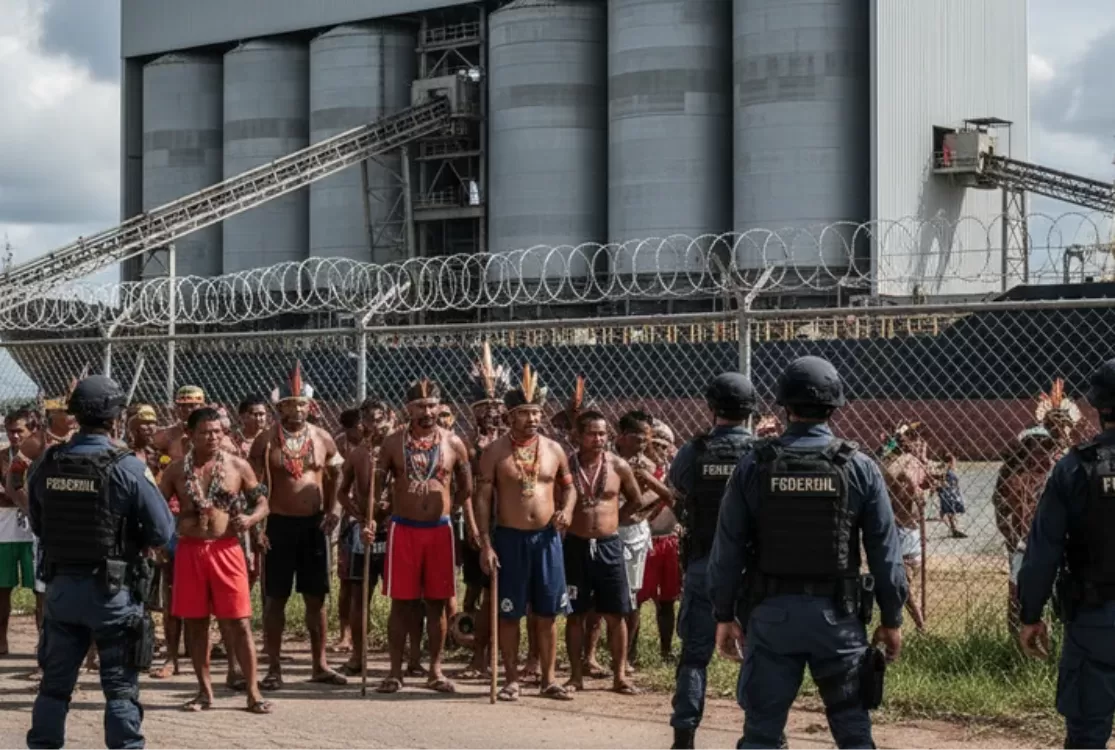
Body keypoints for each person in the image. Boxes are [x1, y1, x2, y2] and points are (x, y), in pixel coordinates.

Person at [708, 356, 908, 750]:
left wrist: (723, 614)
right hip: (838, 618)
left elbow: (727, 548)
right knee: (853, 730)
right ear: (835, 406)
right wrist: (891, 617)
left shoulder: (754, 465)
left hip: (771, 617)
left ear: (784, 407)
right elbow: (885, 550)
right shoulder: (860, 466)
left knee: (762, 732)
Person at [26, 374, 175, 750]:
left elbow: (40, 523)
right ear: (114, 418)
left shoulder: (49, 462)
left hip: (61, 591)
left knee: (54, 688)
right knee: (121, 691)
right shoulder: (126, 467)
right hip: (112, 593)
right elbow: (161, 531)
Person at [1017, 359, 1115, 749]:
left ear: (1097, 407)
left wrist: (1030, 614)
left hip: (1094, 620)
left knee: (1087, 734)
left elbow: (1043, 551)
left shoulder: (1074, 469)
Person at [668, 373, 759, 749]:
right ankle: (763, 732)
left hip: (704, 563)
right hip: (751, 571)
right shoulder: (760, 452)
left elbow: (679, 489)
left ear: (711, 406)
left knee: (694, 658)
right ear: (751, 408)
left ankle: (684, 736)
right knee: (758, 657)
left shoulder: (694, 451)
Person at [160, 407, 272, 714]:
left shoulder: (238, 465)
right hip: (190, 550)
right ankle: (204, 692)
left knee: (240, 623)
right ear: (191, 435)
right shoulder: (175, 470)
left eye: (217, 432)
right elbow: (157, 507)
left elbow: (262, 501)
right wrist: (175, 523)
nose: (212, 437)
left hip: (227, 550)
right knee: (196, 624)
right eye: (205, 432)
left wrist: (250, 519)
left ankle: (253, 693)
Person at [474, 366, 575, 701]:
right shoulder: (495, 452)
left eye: (537, 413)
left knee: (547, 613)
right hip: (509, 539)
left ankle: (548, 679)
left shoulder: (554, 449)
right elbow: (483, 500)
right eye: (526, 414)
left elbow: (568, 488)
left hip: (546, 540)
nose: (533, 419)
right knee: (509, 613)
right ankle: (511, 679)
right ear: (511, 416)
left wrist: (568, 510)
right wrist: (485, 544)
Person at [367, 378, 471, 694]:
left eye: (432, 405)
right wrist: (371, 518)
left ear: (440, 406)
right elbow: (377, 487)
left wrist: (456, 512)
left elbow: (467, 487)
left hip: (439, 529)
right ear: (408, 409)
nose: (427, 411)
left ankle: (435, 671)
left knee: (438, 604)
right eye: (420, 406)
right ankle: (395, 671)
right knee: (402, 604)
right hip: (403, 529)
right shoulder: (392, 443)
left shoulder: (454, 443)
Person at [250, 362, 347, 690]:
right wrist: (257, 528)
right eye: (290, 405)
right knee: (274, 598)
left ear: (310, 406)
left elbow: (337, 476)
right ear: (280, 408)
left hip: (313, 528)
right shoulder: (265, 441)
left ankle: (319, 665)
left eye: (301, 404)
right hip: (277, 525)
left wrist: (333, 508)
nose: (297, 410)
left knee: (315, 597)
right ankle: (273, 668)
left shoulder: (323, 439)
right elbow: (255, 487)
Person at [561, 408, 650, 697]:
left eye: (602, 433)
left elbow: (636, 499)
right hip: (574, 546)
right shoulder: (567, 466)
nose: (599, 439)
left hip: (610, 546)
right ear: (578, 436)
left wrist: (615, 520)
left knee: (616, 613)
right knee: (575, 614)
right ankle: (575, 675)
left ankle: (620, 676)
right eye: (592, 433)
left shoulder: (618, 465)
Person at [458, 343, 510, 679]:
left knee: (508, 594)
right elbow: (465, 489)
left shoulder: (513, 443)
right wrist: (476, 529)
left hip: (509, 522)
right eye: (484, 409)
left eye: (496, 408)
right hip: (480, 523)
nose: (491, 414)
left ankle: (507, 657)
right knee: (480, 592)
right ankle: (476, 653)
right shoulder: (466, 444)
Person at [335, 398, 396, 675]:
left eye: (380, 418)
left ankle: (409, 660)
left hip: (395, 530)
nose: (375, 424)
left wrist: (394, 510)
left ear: (390, 417)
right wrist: (359, 515)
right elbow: (341, 492)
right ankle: (358, 657)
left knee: (404, 598)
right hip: (366, 533)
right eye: (369, 420)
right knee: (360, 595)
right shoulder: (359, 454)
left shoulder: (400, 450)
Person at [611, 410, 671, 671]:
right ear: (621, 437)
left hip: (635, 534)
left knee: (631, 599)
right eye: (638, 438)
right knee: (599, 601)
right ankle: (591, 656)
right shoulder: (608, 461)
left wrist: (641, 502)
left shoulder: (648, 467)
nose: (644, 444)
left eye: (647, 438)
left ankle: (626, 656)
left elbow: (667, 497)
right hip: (606, 533)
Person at [880, 422, 933, 632]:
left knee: (905, 580)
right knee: (904, 582)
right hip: (902, 524)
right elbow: (911, 485)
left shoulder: (900, 462)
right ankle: (918, 624)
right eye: (913, 439)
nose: (919, 443)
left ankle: (907, 622)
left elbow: (921, 485)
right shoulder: (901, 464)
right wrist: (917, 490)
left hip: (905, 525)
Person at [637, 419, 681, 663]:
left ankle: (666, 650)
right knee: (637, 598)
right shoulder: (640, 470)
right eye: (657, 445)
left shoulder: (673, 472)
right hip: (646, 538)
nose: (661, 451)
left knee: (667, 600)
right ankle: (629, 652)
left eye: (665, 446)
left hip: (668, 540)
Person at [1, 407, 43, 656]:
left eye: (20, 431)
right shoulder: (2, 456)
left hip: (33, 532)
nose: (15, 436)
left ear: (33, 430)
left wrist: (15, 495)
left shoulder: (42, 457)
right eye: (10, 431)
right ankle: (2, 640)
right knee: (2, 587)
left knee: (39, 588)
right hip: (4, 530)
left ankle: (43, 642)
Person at [937, 454, 967, 539]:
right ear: (950, 462)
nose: (955, 463)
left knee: (952, 512)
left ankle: (954, 528)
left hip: (953, 493)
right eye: (954, 461)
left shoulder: (950, 470)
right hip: (949, 493)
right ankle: (954, 529)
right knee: (951, 512)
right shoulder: (946, 471)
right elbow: (943, 481)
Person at [236, 394, 271, 459]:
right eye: (255, 414)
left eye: (261, 414)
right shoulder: (235, 440)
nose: (258, 418)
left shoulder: (272, 438)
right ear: (243, 417)